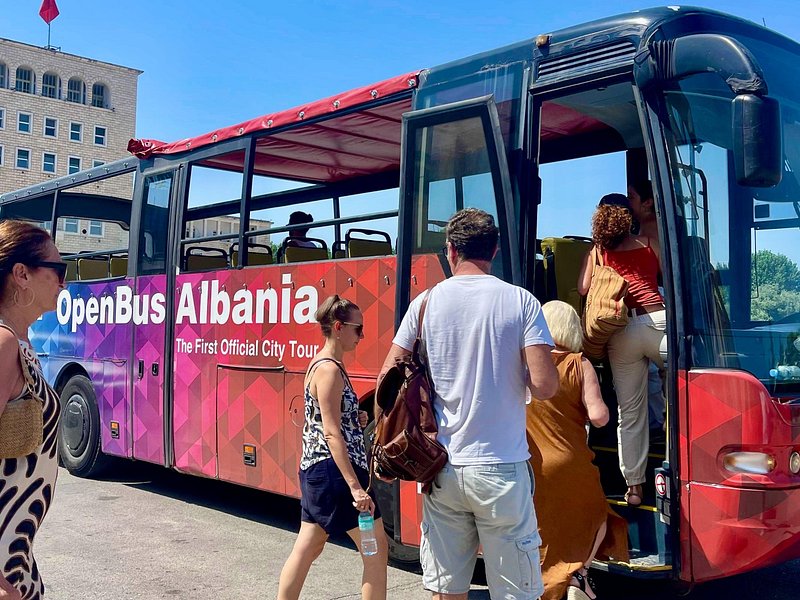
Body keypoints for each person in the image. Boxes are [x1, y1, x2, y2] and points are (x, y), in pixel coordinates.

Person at [379, 208, 559, 600]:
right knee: (515, 591)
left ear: (450, 251)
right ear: (493, 249)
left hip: (442, 468)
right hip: (502, 469)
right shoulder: (522, 302)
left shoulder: (424, 304)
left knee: (447, 590)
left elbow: (386, 379)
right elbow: (545, 387)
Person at [277, 295, 388, 600]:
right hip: (334, 473)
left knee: (308, 546)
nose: (362, 335)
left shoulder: (325, 365)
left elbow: (327, 417)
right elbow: (331, 433)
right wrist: (355, 487)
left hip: (318, 470)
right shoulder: (329, 370)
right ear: (339, 327)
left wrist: (356, 415)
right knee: (376, 549)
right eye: (358, 328)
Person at [526, 301, 629, 600]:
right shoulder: (578, 363)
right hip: (571, 463)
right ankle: (578, 575)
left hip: (530, 464)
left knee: (542, 526)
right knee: (600, 513)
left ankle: (547, 581)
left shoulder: (525, 365)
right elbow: (598, 416)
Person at [578, 193, 666, 507]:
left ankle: (634, 488)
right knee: (682, 397)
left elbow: (583, 289)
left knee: (630, 414)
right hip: (657, 321)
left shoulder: (598, 252)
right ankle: (676, 471)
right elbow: (664, 276)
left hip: (621, 331)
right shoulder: (648, 243)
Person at [0, 220, 67, 600]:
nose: (64, 282)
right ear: (22, 274)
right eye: (58, 270)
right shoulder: (4, 342)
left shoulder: (19, 342)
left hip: (16, 553)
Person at [627, 180, 666, 437]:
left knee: (652, 372)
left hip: (652, 304)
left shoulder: (650, 233)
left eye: (631, 197)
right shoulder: (650, 230)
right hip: (657, 305)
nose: (627, 201)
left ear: (647, 202)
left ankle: (658, 420)